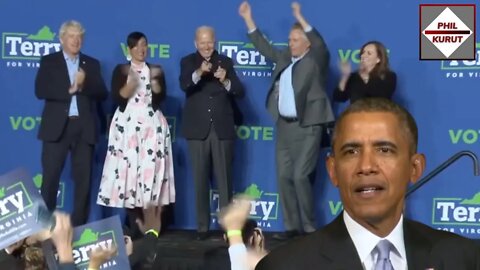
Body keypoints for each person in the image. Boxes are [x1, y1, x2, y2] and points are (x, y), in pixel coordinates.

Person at [255, 98, 480, 270]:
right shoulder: (285, 266)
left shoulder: (463, 258)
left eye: (384, 150)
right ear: (333, 170)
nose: (366, 166)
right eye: (351, 151)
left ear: (415, 168)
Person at [238, 1, 334, 240]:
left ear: (306, 43)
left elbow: (321, 44)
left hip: (308, 126)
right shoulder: (284, 59)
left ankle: (310, 228)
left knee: (301, 176)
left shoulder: (315, 61)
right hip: (284, 128)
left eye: (295, 39)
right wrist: (248, 19)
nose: (290, 43)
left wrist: (300, 17)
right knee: (284, 177)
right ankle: (292, 227)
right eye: (290, 40)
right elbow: (264, 47)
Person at [97, 32, 175, 225]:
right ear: (130, 49)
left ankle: (150, 222)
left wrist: (155, 85)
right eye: (138, 46)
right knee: (128, 172)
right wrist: (129, 87)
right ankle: (133, 222)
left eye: (145, 45)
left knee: (151, 173)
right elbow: (117, 96)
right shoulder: (121, 70)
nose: (142, 49)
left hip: (151, 127)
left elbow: (160, 96)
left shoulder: (156, 69)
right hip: (128, 127)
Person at [35, 20, 108, 226]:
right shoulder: (49, 61)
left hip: (83, 128)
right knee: (49, 180)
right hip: (57, 128)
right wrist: (69, 90)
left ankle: (79, 229)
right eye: (71, 36)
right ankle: (43, 228)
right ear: (62, 39)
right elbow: (40, 90)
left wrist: (85, 85)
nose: (76, 40)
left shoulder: (91, 64)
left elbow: (102, 93)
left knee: (83, 182)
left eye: (79, 37)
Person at [179, 26, 245, 240]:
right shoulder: (188, 62)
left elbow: (239, 91)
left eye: (210, 42)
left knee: (225, 181)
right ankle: (202, 228)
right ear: (195, 43)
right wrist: (199, 73)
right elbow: (184, 84)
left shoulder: (225, 62)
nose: (206, 46)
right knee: (199, 180)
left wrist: (225, 80)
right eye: (202, 42)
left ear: (215, 42)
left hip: (222, 129)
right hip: (197, 130)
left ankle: (229, 229)